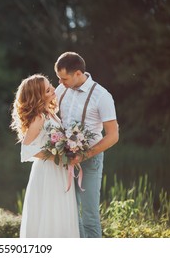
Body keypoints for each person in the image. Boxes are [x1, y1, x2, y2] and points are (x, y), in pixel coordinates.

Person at [54, 52, 119, 238]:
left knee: (89, 216)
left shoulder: (102, 96)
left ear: (78, 73)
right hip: (64, 159)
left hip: (90, 160)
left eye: (63, 78)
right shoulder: (61, 90)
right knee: (70, 215)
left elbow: (113, 135)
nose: (60, 83)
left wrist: (84, 155)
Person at [10, 74, 80, 238]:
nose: (53, 90)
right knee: (50, 213)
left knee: (61, 213)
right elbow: (26, 149)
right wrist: (55, 156)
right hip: (48, 173)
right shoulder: (39, 118)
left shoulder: (51, 114)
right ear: (39, 96)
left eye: (51, 86)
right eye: (48, 90)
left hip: (59, 172)